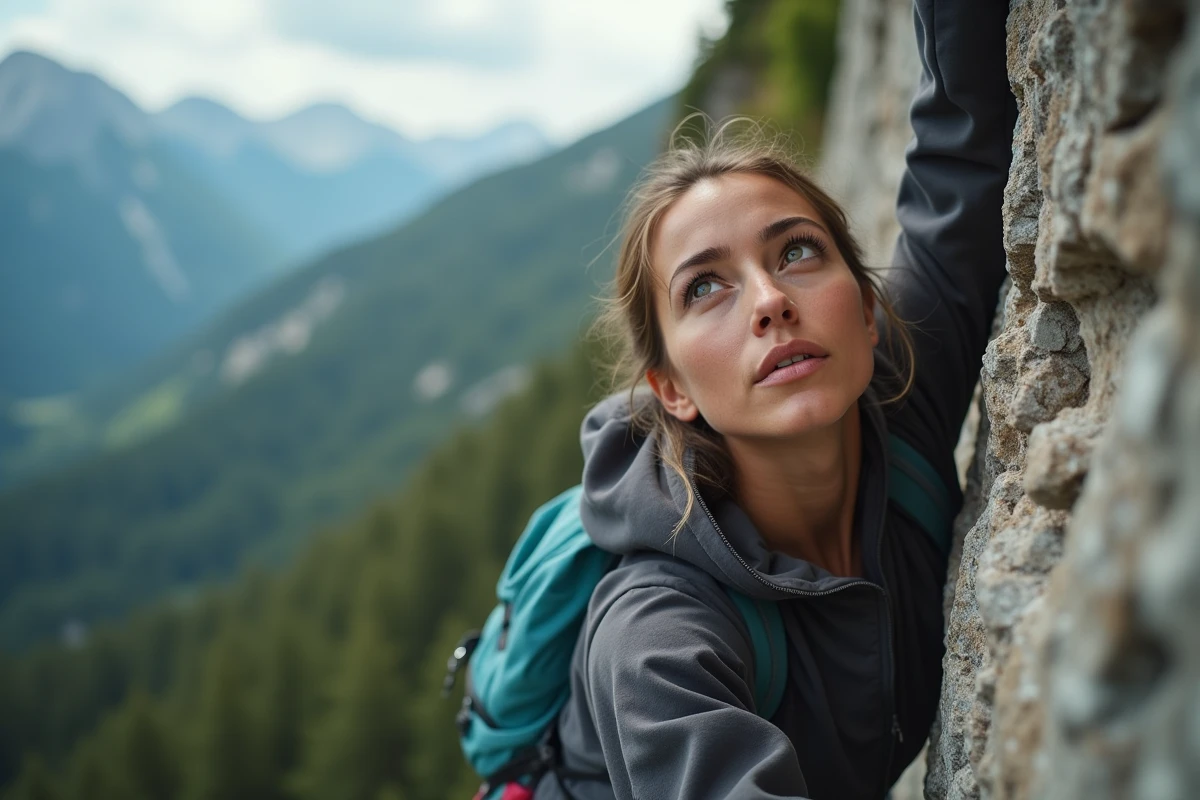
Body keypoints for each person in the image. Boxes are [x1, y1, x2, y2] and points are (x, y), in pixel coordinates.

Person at [534, 1, 1017, 797]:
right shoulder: (658, 642)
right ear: (672, 389)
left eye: (796, 251)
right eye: (704, 287)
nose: (769, 300)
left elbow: (961, 148)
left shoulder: (898, 397)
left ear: (866, 311)